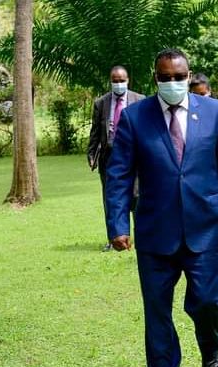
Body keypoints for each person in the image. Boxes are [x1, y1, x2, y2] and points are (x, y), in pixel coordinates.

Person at [106, 48, 218, 367]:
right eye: (166, 77)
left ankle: (210, 350)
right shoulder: (134, 117)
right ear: (155, 78)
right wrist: (117, 224)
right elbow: (119, 176)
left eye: (179, 77)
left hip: (207, 229)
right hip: (155, 233)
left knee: (207, 303)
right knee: (157, 312)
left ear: (188, 75)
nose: (173, 82)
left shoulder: (214, 112)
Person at [87, 65, 144, 251]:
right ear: (110, 81)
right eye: (115, 81)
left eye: (122, 81)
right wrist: (91, 154)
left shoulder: (139, 100)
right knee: (111, 197)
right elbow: (95, 133)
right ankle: (113, 238)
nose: (118, 84)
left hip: (135, 156)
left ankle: (140, 236)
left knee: (137, 196)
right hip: (109, 156)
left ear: (128, 81)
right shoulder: (101, 103)